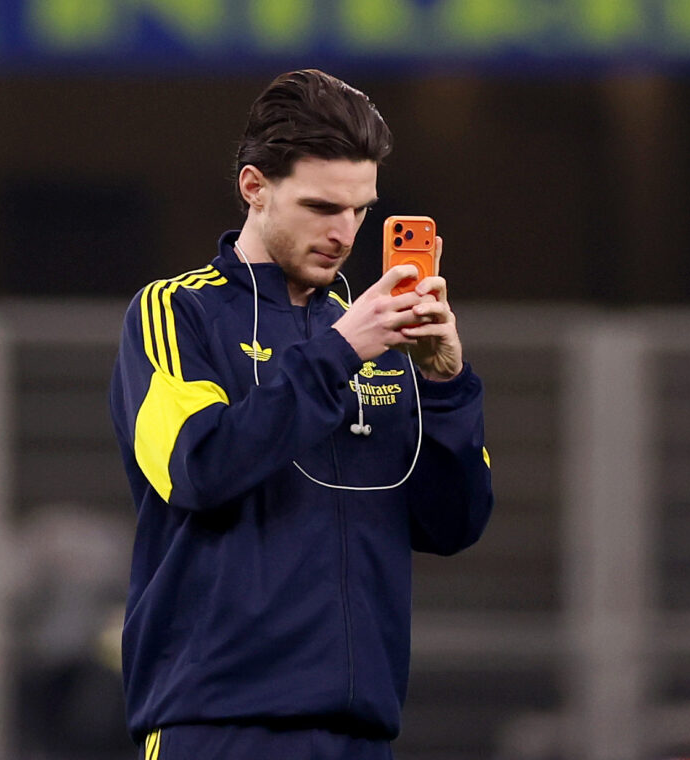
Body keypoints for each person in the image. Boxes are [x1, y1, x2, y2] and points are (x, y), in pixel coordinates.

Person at [110, 68, 492, 760]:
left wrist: (445, 383)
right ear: (254, 188)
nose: (344, 233)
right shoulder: (175, 312)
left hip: (359, 731)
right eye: (322, 207)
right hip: (218, 724)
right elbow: (199, 466)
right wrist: (338, 352)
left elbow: (453, 523)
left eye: (360, 210)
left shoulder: (370, 336)